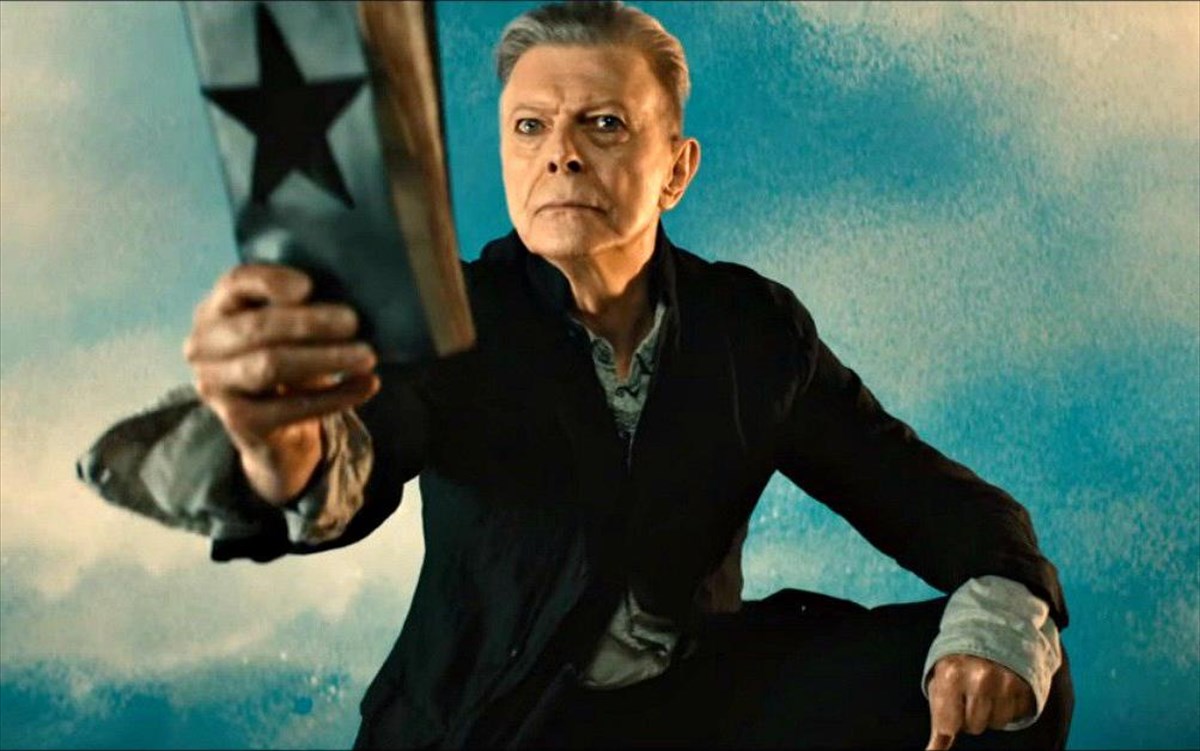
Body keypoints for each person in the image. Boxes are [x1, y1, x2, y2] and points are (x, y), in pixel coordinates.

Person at [78, 2, 1073, 748]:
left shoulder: (754, 328)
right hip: (494, 720)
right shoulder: (454, 319)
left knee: (1018, 671)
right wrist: (278, 438)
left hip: (694, 707)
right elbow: (354, 456)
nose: (559, 154)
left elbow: (931, 499)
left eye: (602, 124)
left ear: (676, 168)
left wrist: (992, 618)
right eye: (529, 127)